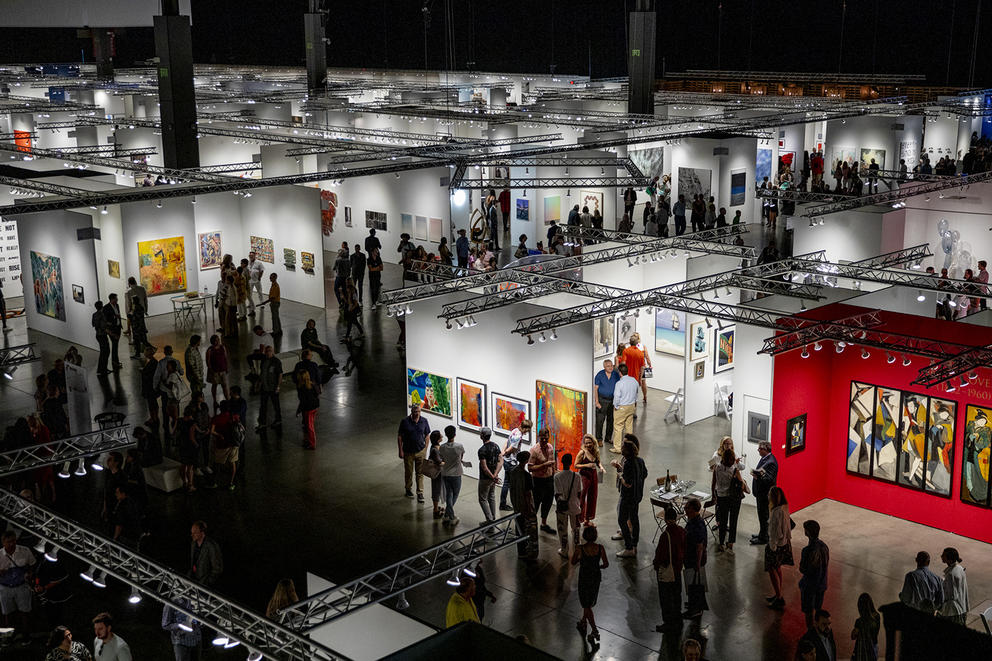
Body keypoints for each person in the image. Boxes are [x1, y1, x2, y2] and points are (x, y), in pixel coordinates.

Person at [572, 525, 608, 642]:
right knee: (589, 601)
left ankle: (594, 630)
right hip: (595, 578)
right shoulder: (600, 548)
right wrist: (598, 567)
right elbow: (606, 564)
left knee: (586, 604)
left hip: (584, 578)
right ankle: (583, 621)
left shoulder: (580, 548)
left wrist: (581, 559)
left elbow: (573, 562)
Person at [653, 505, 685, 632]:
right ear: (676, 518)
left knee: (666, 599)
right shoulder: (682, 531)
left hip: (667, 571)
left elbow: (661, 555)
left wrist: (656, 565)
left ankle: (668, 623)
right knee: (676, 596)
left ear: (666, 519)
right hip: (677, 569)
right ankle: (678, 620)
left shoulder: (665, 536)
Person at [614, 437, 647, 558]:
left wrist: (620, 474)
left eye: (623, 447)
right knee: (634, 520)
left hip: (627, 497)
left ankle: (628, 547)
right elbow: (644, 474)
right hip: (637, 496)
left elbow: (627, 483)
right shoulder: (640, 460)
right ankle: (635, 546)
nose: (621, 449)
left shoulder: (628, 463)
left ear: (626, 451)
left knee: (622, 520)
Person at [712, 448, 747, 554]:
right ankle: (730, 542)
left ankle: (721, 543)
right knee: (733, 520)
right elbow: (741, 483)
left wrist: (714, 495)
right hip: (734, 498)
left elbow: (713, 483)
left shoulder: (717, 467)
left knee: (723, 521)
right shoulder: (734, 470)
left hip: (721, 497)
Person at [765, 486, 794, 610]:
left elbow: (776, 532)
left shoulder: (777, 512)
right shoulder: (784, 508)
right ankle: (778, 594)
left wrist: (772, 546)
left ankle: (779, 597)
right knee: (778, 568)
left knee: (772, 570)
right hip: (785, 544)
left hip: (776, 546)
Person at [0, 529, 35, 630]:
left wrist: (29, 573)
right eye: (8, 542)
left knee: (25, 612)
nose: (11, 544)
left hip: (21, 585)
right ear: (3, 543)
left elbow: (32, 564)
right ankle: (10, 635)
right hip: (5, 587)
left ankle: (26, 635)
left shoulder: (25, 551)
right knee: (8, 613)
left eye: (13, 541)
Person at [799, 520, 830, 629]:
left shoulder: (807, 551)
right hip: (822, 584)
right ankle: (818, 630)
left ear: (807, 532)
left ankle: (811, 633)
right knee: (818, 608)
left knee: (808, 611)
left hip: (810, 585)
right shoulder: (824, 546)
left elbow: (803, 569)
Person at [509, 450, 538, 560]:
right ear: (526, 460)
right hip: (524, 507)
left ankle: (520, 551)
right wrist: (529, 508)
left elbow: (511, 489)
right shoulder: (526, 475)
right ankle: (527, 551)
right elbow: (528, 494)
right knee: (526, 529)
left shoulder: (513, 472)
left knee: (518, 528)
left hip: (516, 505)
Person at [682, 498, 708, 619]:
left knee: (695, 583)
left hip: (695, 558)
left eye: (687, 508)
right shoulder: (692, 520)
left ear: (692, 509)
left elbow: (699, 546)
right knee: (692, 582)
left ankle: (696, 609)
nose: (685, 510)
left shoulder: (697, 524)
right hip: (690, 557)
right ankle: (694, 604)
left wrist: (697, 563)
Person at [398, 404, 430, 502]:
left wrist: (425, 449)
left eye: (419, 412)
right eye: (415, 412)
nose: (417, 414)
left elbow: (427, 435)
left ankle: (420, 492)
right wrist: (400, 450)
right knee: (409, 472)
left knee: (420, 473)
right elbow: (400, 436)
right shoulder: (405, 422)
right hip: (408, 452)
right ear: (411, 412)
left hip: (420, 451)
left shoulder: (424, 421)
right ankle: (408, 489)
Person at [528, 428, 557, 534]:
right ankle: (532, 524)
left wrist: (554, 473)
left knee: (548, 502)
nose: (544, 440)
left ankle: (543, 524)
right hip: (538, 481)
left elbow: (552, 463)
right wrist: (543, 465)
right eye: (542, 438)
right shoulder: (534, 450)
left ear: (548, 437)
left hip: (549, 480)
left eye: (546, 438)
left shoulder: (550, 447)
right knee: (535, 503)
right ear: (538, 437)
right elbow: (530, 468)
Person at [750, 441, 779, 545]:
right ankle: (762, 533)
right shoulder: (765, 459)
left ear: (765, 450)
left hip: (765, 494)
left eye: (760, 449)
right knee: (761, 515)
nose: (758, 450)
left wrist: (758, 476)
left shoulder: (771, 462)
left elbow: (769, 479)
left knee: (764, 516)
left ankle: (764, 538)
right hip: (760, 493)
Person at [553, 453, 582, 557]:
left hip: (562, 508)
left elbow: (557, 494)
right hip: (575, 506)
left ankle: (564, 550)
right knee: (576, 529)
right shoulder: (577, 476)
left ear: (562, 462)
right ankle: (577, 550)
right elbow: (579, 492)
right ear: (570, 463)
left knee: (562, 529)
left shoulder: (557, 477)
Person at [499, 420, 530, 511]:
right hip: (511, 462)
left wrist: (503, 452)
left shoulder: (514, 430)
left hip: (507, 461)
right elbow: (512, 448)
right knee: (512, 485)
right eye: (527, 431)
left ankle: (503, 503)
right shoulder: (518, 435)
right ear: (524, 428)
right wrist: (505, 453)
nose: (526, 433)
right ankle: (512, 504)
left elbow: (507, 442)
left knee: (506, 483)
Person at [438, 425, 465, 527]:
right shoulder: (459, 446)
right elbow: (461, 457)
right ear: (455, 434)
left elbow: (442, 459)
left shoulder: (442, 447)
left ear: (446, 434)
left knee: (449, 493)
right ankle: (451, 516)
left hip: (446, 473)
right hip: (456, 473)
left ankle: (446, 515)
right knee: (455, 494)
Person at [610, 364, 639, 454]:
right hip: (631, 406)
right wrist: (634, 402)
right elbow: (637, 392)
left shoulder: (619, 383)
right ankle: (629, 446)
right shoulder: (634, 380)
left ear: (620, 373)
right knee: (629, 427)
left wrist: (616, 406)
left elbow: (617, 396)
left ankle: (618, 448)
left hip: (622, 407)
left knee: (618, 427)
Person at [574, 435, 602, 527]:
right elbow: (576, 465)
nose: (588, 445)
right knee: (581, 498)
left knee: (593, 496)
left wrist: (601, 467)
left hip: (593, 475)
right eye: (586, 443)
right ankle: (579, 519)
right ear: (584, 443)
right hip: (584, 476)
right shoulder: (582, 453)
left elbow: (597, 461)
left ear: (593, 442)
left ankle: (587, 519)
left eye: (590, 442)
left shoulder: (595, 451)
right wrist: (587, 465)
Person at [477, 427, 502, 523]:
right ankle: (493, 517)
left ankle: (489, 520)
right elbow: (501, 461)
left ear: (482, 436)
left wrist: (492, 476)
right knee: (491, 496)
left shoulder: (482, 450)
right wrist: (495, 475)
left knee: (482, 499)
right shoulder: (496, 446)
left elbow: (484, 467)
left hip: (485, 478)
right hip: (493, 478)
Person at [593, 359, 620, 447]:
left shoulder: (616, 375)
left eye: (611, 365)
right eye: (608, 366)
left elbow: (619, 387)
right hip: (602, 400)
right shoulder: (600, 375)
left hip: (612, 400)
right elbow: (595, 389)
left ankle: (608, 438)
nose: (610, 367)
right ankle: (599, 439)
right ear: (604, 367)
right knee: (600, 421)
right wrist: (596, 402)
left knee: (611, 420)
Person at [938, 547, 968, 625]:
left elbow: (952, 596)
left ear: (949, 559)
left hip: (953, 612)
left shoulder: (951, 575)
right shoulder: (960, 568)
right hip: (962, 607)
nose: (941, 556)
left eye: (943, 555)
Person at [256, 346, 283, 432]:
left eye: (270, 351)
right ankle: (262, 422)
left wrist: (278, 386)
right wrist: (259, 384)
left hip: (273, 387)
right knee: (263, 406)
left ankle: (278, 419)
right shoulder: (263, 361)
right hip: (264, 388)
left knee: (276, 405)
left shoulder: (276, 362)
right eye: (267, 351)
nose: (268, 353)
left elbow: (280, 374)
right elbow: (262, 373)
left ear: (273, 352)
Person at [189, 521, 222, 587]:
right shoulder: (193, 544)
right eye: (192, 532)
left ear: (202, 532)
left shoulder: (211, 546)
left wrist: (207, 582)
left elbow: (217, 569)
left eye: (195, 532)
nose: (192, 535)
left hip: (205, 585)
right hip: (193, 582)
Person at [851, 593, 880, 661]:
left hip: (863, 649)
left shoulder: (859, 622)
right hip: (874, 646)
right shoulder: (877, 616)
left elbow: (853, 636)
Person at [296, 370, 320, 450]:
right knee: (308, 425)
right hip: (314, 407)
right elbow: (317, 393)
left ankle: (312, 444)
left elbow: (302, 401)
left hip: (308, 409)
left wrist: (298, 411)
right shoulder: (312, 384)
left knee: (309, 426)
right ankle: (308, 440)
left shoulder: (301, 388)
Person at [205, 335, 230, 407]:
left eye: (218, 340)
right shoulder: (210, 350)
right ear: (213, 342)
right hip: (215, 371)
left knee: (224, 385)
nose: (218, 341)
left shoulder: (222, 347)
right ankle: (215, 400)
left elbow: (225, 357)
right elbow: (208, 361)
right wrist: (211, 370)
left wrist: (227, 367)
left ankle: (228, 399)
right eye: (216, 340)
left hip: (223, 370)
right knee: (214, 385)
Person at [103, 293, 124, 371]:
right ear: (112, 299)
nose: (117, 300)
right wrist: (114, 318)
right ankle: (115, 361)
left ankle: (115, 361)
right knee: (115, 345)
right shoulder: (106, 308)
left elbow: (119, 315)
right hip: (112, 329)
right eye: (116, 298)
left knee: (116, 345)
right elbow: (105, 320)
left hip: (118, 328)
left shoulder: (117, 305)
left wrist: (120, 323)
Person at [92, 301, 111, 375]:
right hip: (103, 335)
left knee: (103, 352)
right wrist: (112, 334)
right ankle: (103, 369)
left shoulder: (94, 314)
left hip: (98, 335)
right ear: (102, 306)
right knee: (105, 352)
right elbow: (103, 327)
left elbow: (94, 324)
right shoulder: (102, 315)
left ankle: (101, 369)